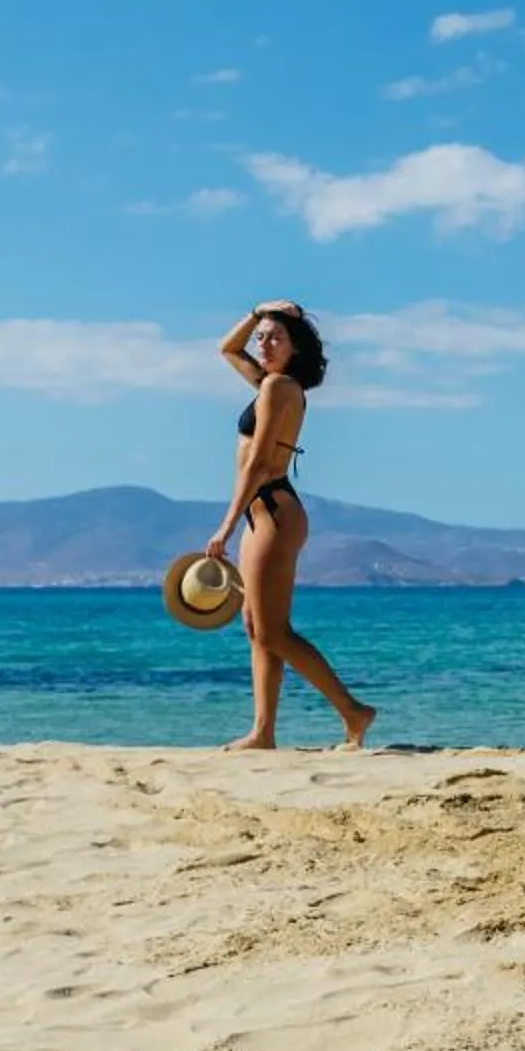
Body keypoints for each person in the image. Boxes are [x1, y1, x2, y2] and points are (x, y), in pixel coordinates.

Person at [204, 300, 377, 751]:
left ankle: (353, 711)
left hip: (274, 512)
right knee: (255, 625)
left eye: (275, 336)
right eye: (260, 337)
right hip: (260, 515)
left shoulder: (280, 386)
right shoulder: (268, 384)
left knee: (274, 631)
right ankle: (263, 732)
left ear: (295, 346)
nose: (263, 344)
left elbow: (260, 462)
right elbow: (227, 348)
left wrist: (224, 526)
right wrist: (257, 311)